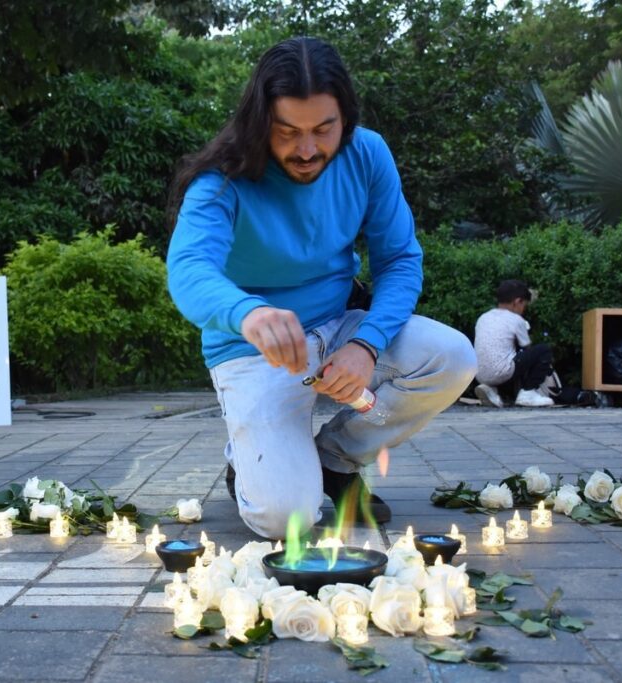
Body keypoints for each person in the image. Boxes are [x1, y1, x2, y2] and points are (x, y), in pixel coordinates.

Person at [166, 37, 476, 540]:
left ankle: (336, 459)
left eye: (323, 129)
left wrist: (366, 345)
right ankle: (247, 458)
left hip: (340, 325)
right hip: (253, 349)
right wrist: (249, 312)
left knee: (453, 357)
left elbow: (399, 260)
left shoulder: (367, 153)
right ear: (260, 120)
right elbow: (188, 269)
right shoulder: (222, 179)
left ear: (345, 119)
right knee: (283, 520)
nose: (307, 150)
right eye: (287, 131)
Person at [473, 280, 554, 408]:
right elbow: (526, 348)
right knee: (543, 351)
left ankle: (492, 390)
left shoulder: (483, 317)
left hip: (480, 374)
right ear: (517, 302)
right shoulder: (517, 320)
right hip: (502, 372)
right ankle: (528, 393)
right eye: (524, 305)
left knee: (504, 357)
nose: (523, 310)